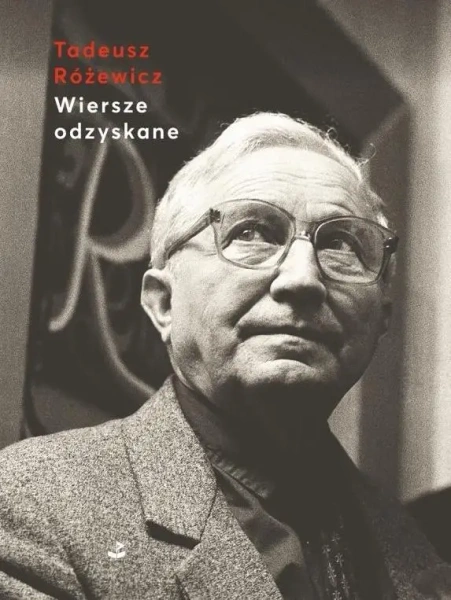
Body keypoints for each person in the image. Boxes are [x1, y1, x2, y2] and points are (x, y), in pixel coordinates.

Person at [0, 112, 449, 600]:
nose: (303, 278)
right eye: (252, 232)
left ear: (382, 317)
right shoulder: (35, 502)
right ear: (164, 303)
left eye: (340, 244)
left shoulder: (418, 549)